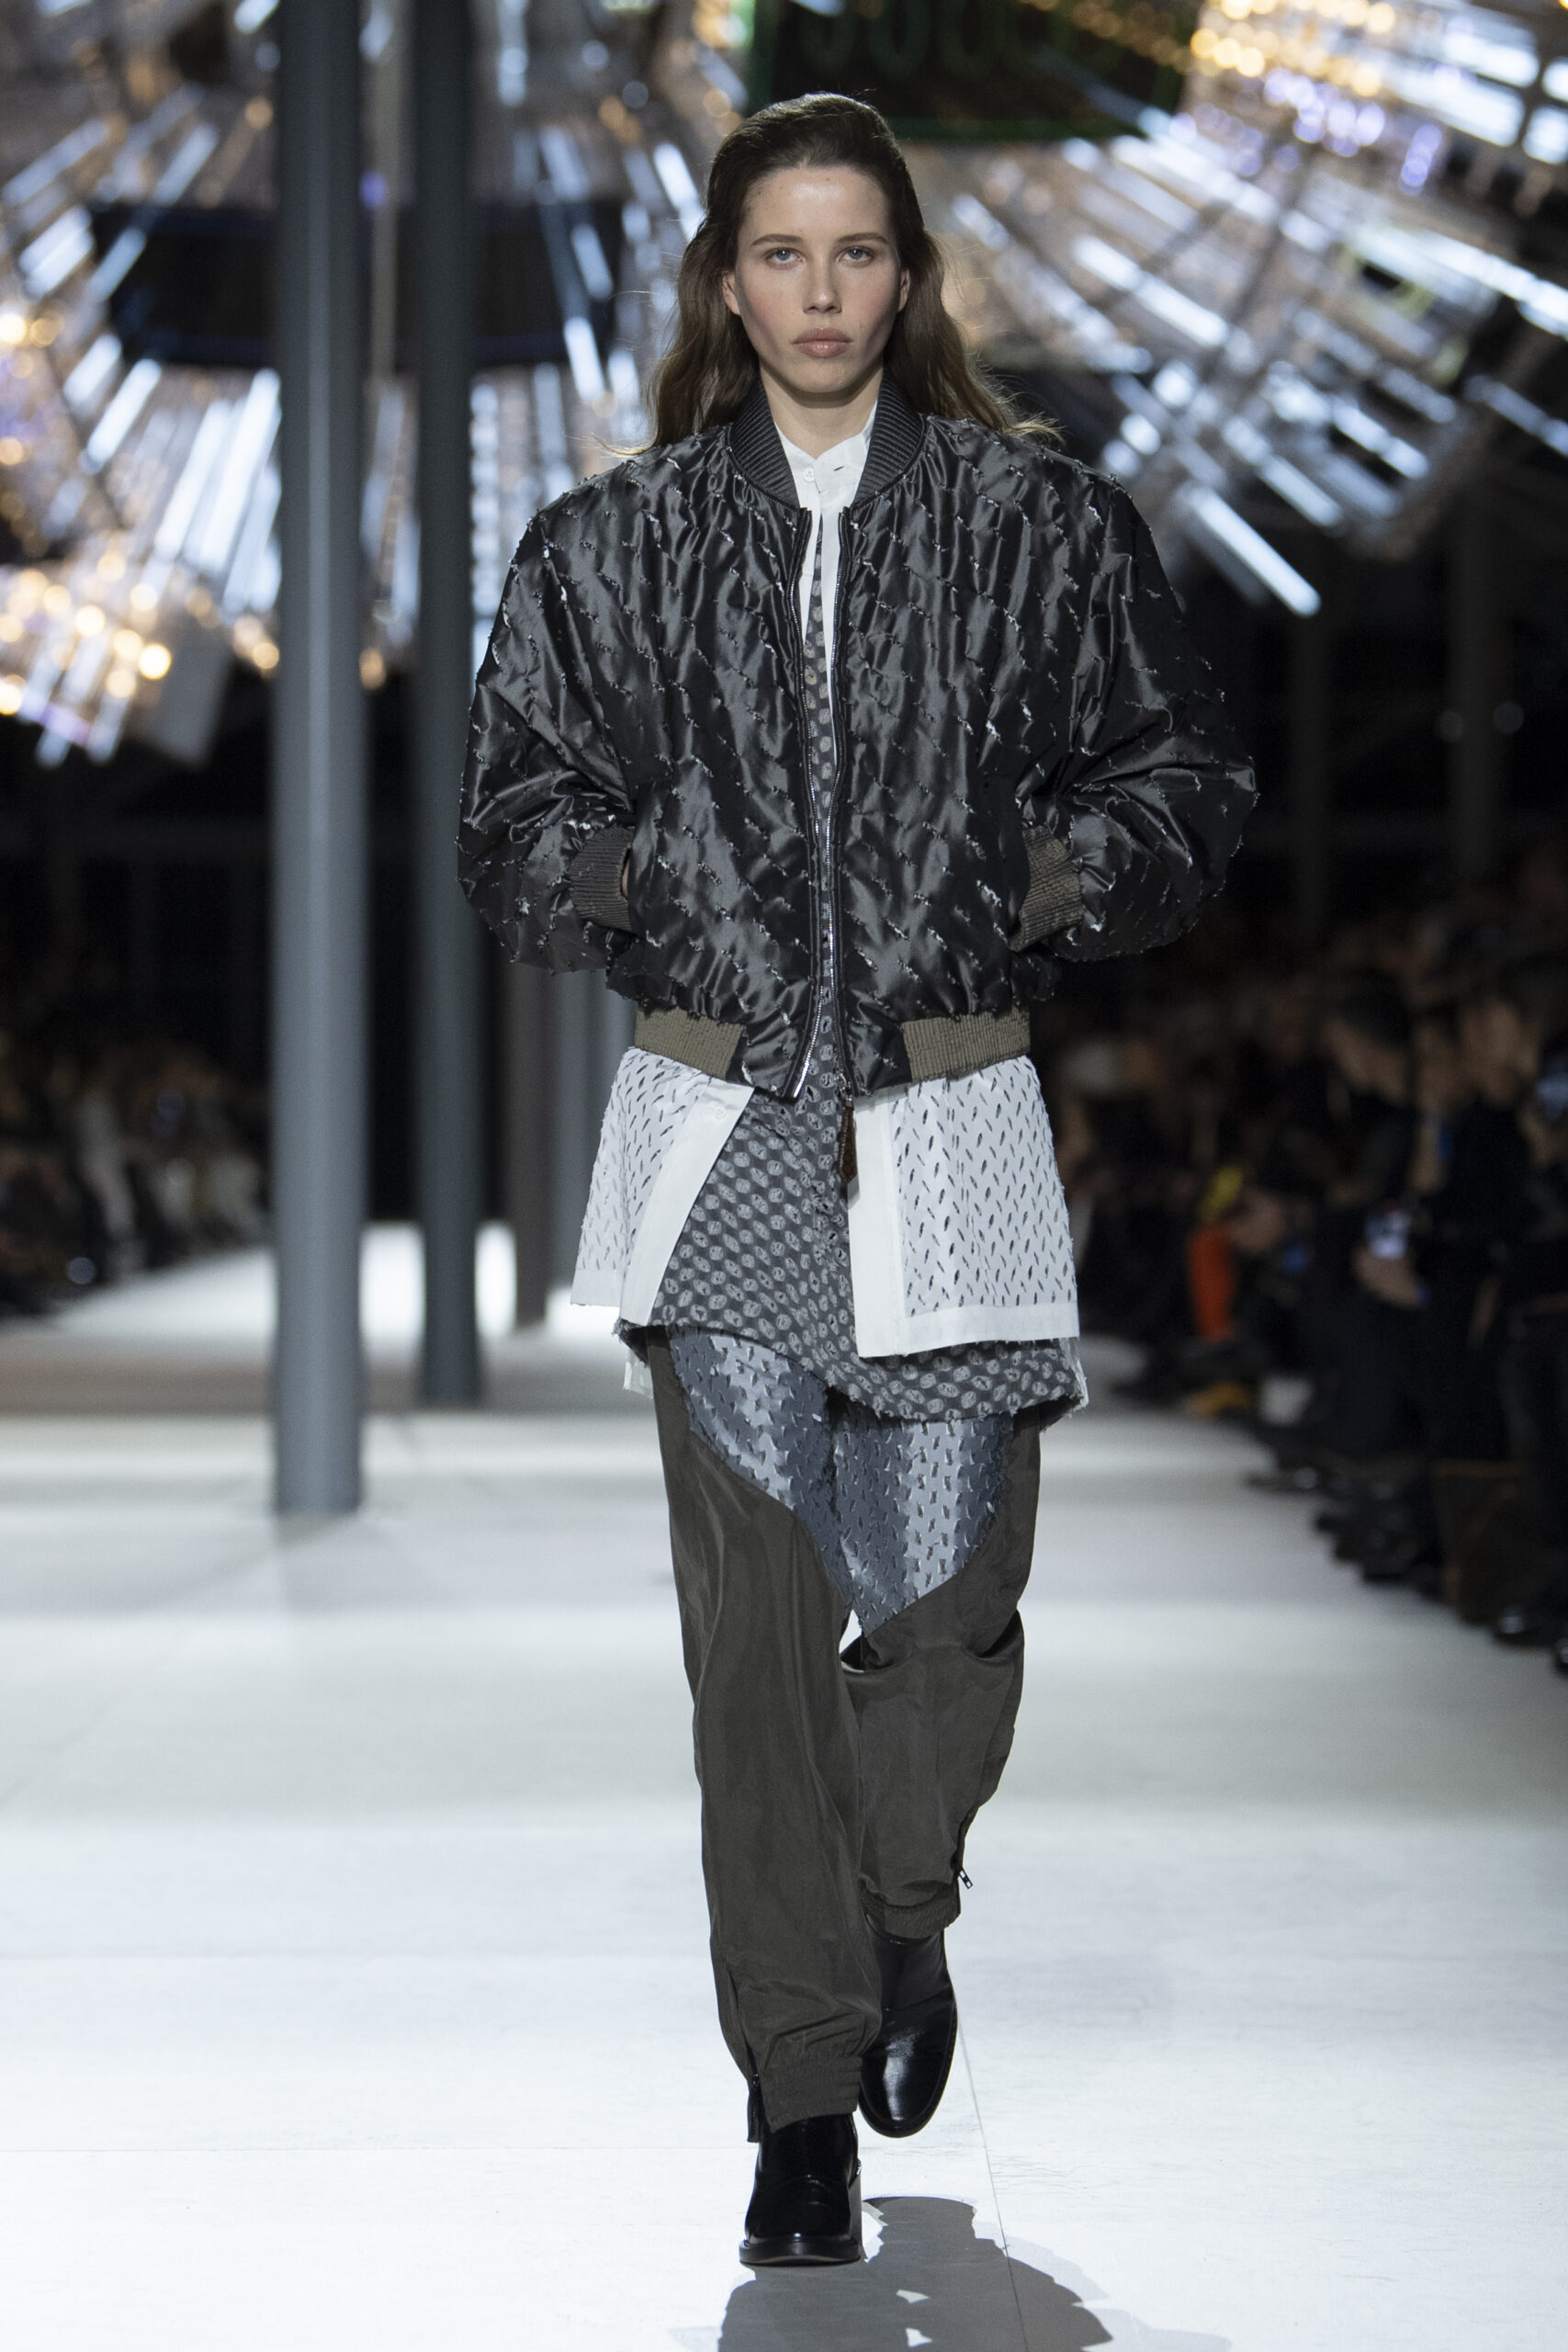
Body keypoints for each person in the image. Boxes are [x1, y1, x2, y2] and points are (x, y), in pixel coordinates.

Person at [459, 95, 1254, 2267]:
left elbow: (1183, 779)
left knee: (943, 1602)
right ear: (727, 285)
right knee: (754, 1639)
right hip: (711, 1123)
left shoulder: (1034, 527)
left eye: (855, 252)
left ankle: (901, 1911)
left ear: (906, 279)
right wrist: (645, 883)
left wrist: (1032, 876)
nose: (819, 292)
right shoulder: (611, 544)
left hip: (949, 1107)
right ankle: (797, 2091)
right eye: (780, 254)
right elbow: (513, 806)